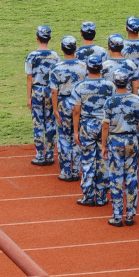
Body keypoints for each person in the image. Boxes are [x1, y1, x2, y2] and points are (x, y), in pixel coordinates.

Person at [101, 67, 139, 227]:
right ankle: (130, 214)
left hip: (115, 141)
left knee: (116, 178)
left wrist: (104, 145)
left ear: (114, 82)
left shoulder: (110, 101)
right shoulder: (136, 100)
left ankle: (117, 215)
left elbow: (105, 126)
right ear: (127, 82)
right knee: (131, 177)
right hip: (131, 140)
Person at [72, 54, 115, 207]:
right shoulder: (110, 86)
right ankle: (102, 196)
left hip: (87, 126)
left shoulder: (80, 87)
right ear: (101, 68)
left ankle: (88, 196)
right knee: (103, 159)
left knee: (88, 160)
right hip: (105, 125)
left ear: (88, 67)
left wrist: (76, 132)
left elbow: (76, 111)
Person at [49, 35, 86, 181]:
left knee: (64, 137)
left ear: (62, 49)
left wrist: (55, 109)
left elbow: (54, 91)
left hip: (63, 102)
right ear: (75, 48)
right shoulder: (84, 66)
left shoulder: (56, 68)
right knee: (77, 135)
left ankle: (66, 171)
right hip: (80, 103)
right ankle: (76, 170)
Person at [24, 25, 60, 166]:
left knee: (38, 124)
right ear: (49, 38)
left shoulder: (32, 56)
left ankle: (40, 155)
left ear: (37, 37)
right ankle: (50, 155)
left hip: (37, 91)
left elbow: (29, 78)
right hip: (51, 92)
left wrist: (28, 97)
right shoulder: (55, 56)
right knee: (50, 122)